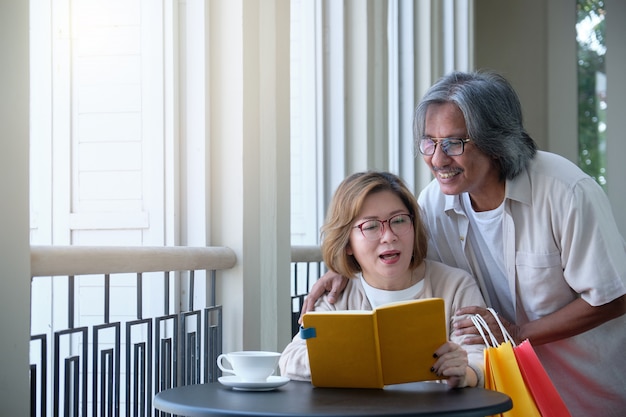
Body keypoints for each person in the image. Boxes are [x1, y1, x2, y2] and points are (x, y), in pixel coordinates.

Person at [300, 71, 626, 416]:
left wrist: (516, 332)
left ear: (495, 142)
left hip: (584, 394)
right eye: (429, 142)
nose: (438, 160)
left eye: (454, 144)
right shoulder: (434, 204)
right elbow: (391, 250)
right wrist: (342, 269)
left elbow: (614, 297)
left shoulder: (565, 191)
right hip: (502, 395)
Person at [280, 171, 487, 388]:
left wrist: (463, 373)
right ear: (348, 243)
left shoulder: (456, 286)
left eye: (398, 220)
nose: (389, 236)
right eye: (370, 226)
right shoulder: (337, 295)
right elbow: (291, 360)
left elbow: (478, 359)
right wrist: (363, 359)